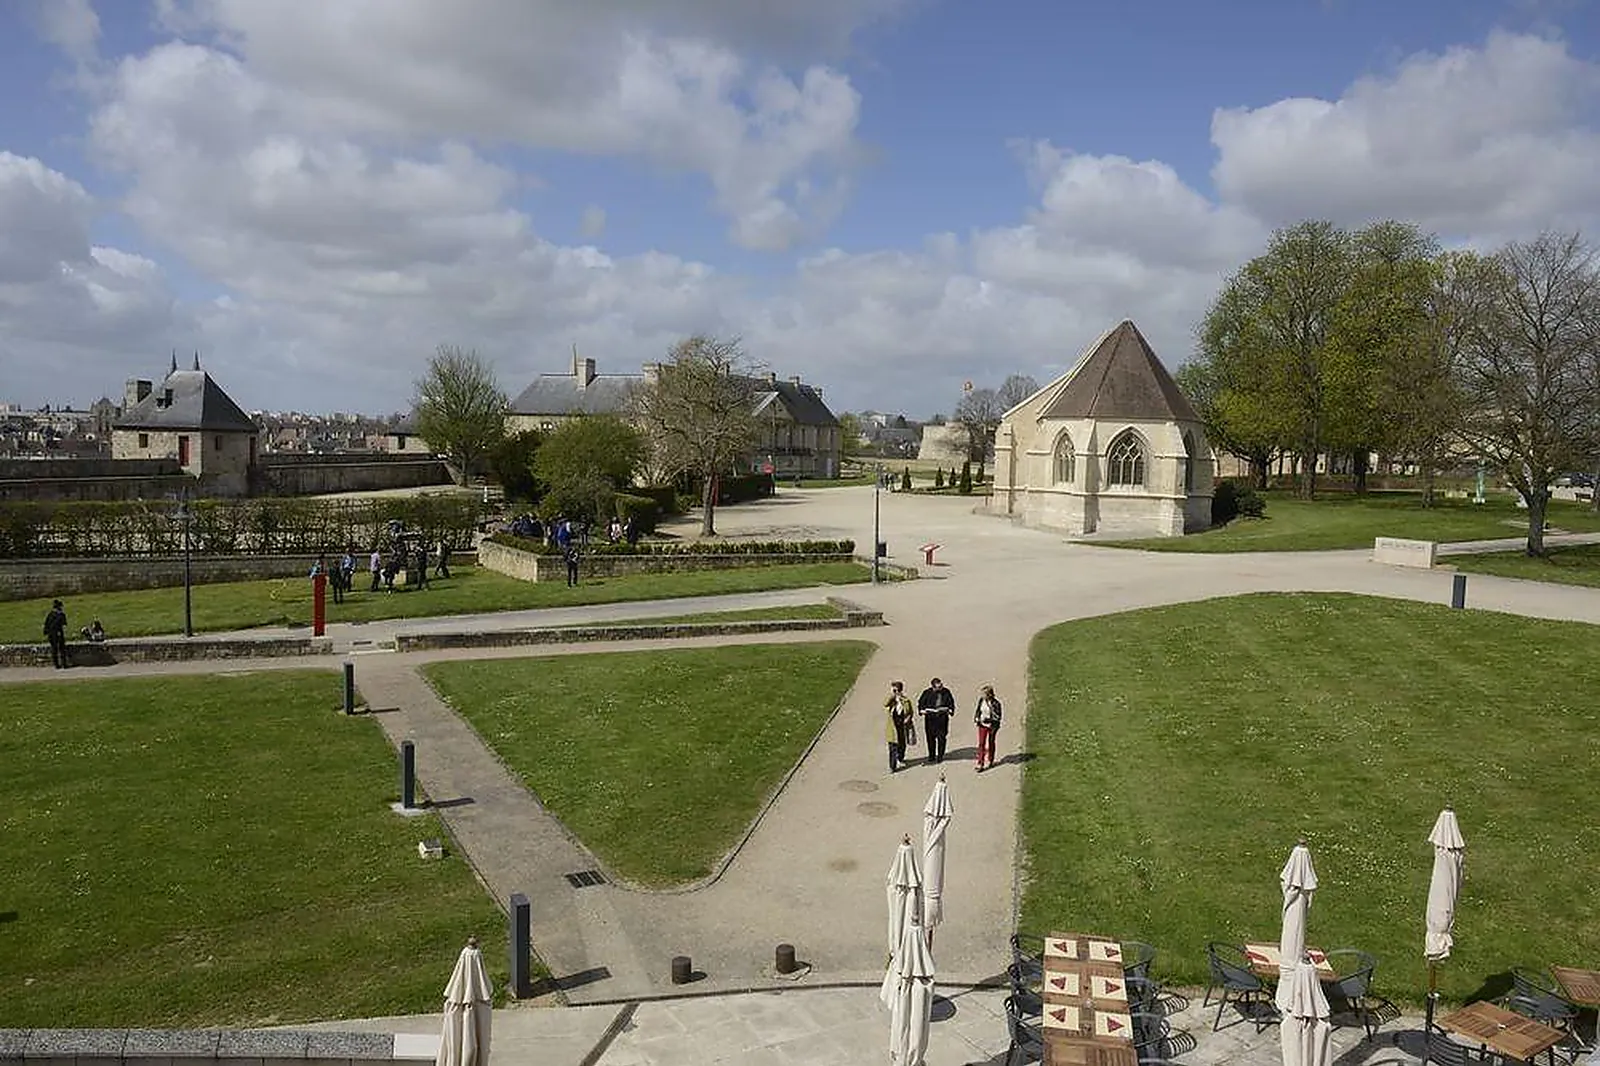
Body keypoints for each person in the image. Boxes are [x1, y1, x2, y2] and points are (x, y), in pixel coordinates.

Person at [917, 677, 955, 765]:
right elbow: (921, 703)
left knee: (942, 738)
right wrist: (922, 710)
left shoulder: (946, 692)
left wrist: (950, 710)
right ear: (933, 687)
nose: (941, 688)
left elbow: (951, 702)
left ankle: (940, 755)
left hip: (942, 719)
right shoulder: (927, 693)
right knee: (930, 738)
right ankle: (932, 755)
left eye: (941, 686)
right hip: (930, 719)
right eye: (938, 687)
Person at [885, 680, 916, 772]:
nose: (895, 692)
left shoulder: (906, 701)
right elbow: (885, 704)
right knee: (892, 747)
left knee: (902, 745)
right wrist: (893, 696)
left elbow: (910, 712)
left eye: (897, 690)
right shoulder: (891, 700)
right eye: (893, 690)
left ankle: (901, 757)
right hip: (893, 726)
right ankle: (892, 766)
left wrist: (908, 718)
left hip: (902, 726)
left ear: (901, 690)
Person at [973, 684, 1003, 772]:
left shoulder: (996, 703)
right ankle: (980, 763)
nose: (982, 696)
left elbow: (998, 717)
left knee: (991, 742)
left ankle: (991, 759)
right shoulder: (981, 701)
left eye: (984, 694)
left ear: (989, 694)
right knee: (981, 743)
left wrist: (988, 720)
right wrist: (976, 718)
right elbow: (978, 710)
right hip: (982, 725)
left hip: (992, 726)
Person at [43, 599, 69, 669]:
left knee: (54, 649)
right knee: (61, 649)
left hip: (51, 634)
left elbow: (46, 625)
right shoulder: (61, 615)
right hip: (58, 633)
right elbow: (64, 624)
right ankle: (63, 664)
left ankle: (57, 664)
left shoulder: (50, 615)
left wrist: (46, 632)